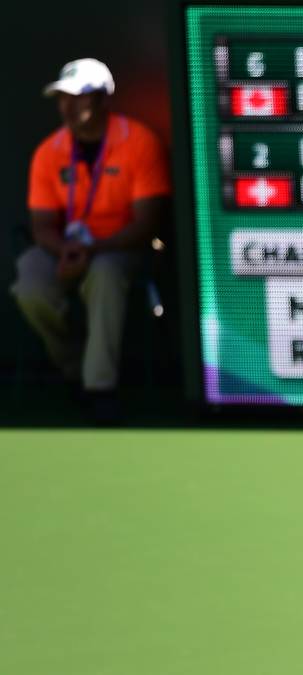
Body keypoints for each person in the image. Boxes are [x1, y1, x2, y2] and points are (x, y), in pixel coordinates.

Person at [12, 58, 170, 423]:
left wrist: (92, 249)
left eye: (78, 97)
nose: (68, 106)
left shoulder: (140, 142)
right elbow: (42, 225)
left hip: (122, 248)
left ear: (102, 98)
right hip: (66, 249)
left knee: (105, 271)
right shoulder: (48, 152)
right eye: (62, 97)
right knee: (30, 278)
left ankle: (100, 389)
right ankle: (75, 366)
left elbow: (147, 223)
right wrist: (64, 250)